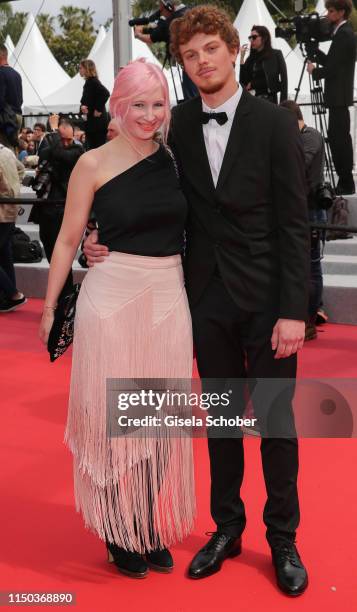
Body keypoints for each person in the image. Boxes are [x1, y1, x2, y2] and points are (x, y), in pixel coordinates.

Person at [84, 5, 310, 595]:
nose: (202, 60)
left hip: (267, 305)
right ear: (182, 64)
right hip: (203, 301)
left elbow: (294, 225)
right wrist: (95, 239)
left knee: (276, 422)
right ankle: (226, 528)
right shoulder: (176, 125)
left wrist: (294, 310)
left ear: (233, 50)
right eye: (190, 54)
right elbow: (125, 180)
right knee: (222, 425)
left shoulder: (273, 123)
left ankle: (282, 537)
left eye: (211, 48)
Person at [39, 59, 195, 579]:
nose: (148, 116)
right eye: (138, 105)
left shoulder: (174, 159)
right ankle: (115, 527)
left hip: (169, 297)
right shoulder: (93, 162)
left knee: (157, 420)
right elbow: (65, 239)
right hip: (111, 299)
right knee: (114, 422)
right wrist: (48, 306)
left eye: (158, 105)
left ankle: (146, 522)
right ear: (118, 106)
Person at [281, 100, 327, 341]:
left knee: (311, 266)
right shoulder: (296, 137)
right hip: (295, 209)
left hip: (311, 210)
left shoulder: (311, 136)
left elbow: (297, 165)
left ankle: (309, 318)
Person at [30, 115, 83, 301]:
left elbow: (63, 156)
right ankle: (61, 297)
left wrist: (53, 131)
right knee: (52, 255)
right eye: (62, 138)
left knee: (62, 258)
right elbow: (46, 155)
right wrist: (54, 136)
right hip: (46, 208)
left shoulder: (78, 150)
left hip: (63, 209)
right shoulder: (49, 146)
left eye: (68, 138)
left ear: (74, 134)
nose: (65, 142)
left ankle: (65, 298)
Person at [307, 0, 355, 195]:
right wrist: (316, 52)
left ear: (341, 12)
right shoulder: (343, 34)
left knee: (339, 140)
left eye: (331, 10)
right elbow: (333, 62)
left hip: (339, 97)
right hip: (338, 97)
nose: (327, 14)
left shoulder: (344, 34)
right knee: (338, 138)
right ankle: (345, 181)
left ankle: (346, 182)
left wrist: (315, 72)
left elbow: (332, 69)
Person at [134, 0, 198, 100]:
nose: (160, 10)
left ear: (169, 6)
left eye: (161, 7)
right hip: (195, 61)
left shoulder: (172, 20)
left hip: (189, 64)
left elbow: (151, 38)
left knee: (191, 98)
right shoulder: (191, 13)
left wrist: (138, 35)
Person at [0, 143, 26, 312]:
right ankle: (10, 296)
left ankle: (13, 293)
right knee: (4, 254)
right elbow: (22, 169)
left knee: (5, 253)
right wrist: (14, 189)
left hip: (2, 208)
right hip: (11, 207)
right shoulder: (7, 151)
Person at [240, 25, 287, 104]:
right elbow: (243, 82)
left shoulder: (276, 54)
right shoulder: (251, 59)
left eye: (254, 37)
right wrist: (242, 59)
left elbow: (284, 80)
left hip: (269, 100)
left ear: (264, 38)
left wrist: (283, 104)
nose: (251, 40)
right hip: (252, 101)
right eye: (250, 37)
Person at [79, 59, 110, 150]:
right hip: (92, 124)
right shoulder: (89, 82)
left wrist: (98, 109)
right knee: (93, 148)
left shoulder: (93, 81)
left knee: (97, 149)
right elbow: (87, 101)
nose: (79, 70)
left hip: (97, 125)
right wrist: (83, 108)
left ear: (87, 69)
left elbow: (105, 93)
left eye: (81, 68)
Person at [0, 45, 23, 149]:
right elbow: (21, 100)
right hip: (17, 116)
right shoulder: (17, 74)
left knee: (4, 152)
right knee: (12, 150)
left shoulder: (1, 73)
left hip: (6, 119)